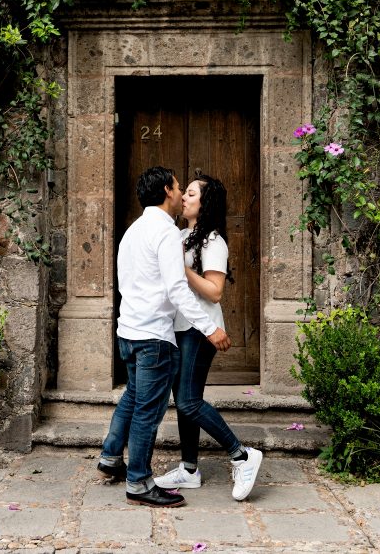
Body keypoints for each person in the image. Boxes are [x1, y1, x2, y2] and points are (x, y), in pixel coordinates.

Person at [97, 166, 230, 508]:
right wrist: (210, 328)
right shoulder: (168, 233)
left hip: (128, 330)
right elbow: (177, 290)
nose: (181, 193)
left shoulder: (133, 231)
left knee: (132, 396)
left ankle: (111, 457)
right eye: (178, 186)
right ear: (168, 191)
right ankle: (139, 482)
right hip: (154, 335)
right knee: (147, 410)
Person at [153, 174, 263, 501]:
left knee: (188, 401)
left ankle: (241, 455)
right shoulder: (181, 235)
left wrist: (181, 269)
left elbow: (215, 292)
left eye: (190, 193)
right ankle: (189, 470)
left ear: (205, 202)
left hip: (200, 330)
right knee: (185, 401)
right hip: (178, 327)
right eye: (184, 193)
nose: (184, 198)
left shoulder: (213, 241)